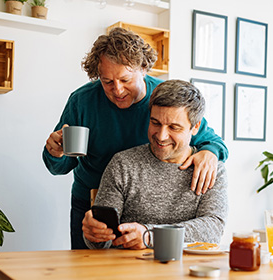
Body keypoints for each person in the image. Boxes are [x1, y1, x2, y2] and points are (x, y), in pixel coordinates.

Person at [42, 27, 228, 249]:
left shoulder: (163, 99)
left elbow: (209, 139)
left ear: (143, 69)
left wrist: (210, 152)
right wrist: (55, 152)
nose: (117, 90)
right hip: (92, 203)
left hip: (146, 208)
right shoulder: (82, 102)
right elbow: (60, 165)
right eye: (107, 81)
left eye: (125, 79)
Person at [82, 80, 228, 249]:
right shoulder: (123, 165)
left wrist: (149, 235)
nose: (161, 136)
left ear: (195, 127)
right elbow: (101, 243)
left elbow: (212, 229)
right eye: (156, 123)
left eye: (174, 127)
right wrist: (95, 234)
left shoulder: (211, 170)